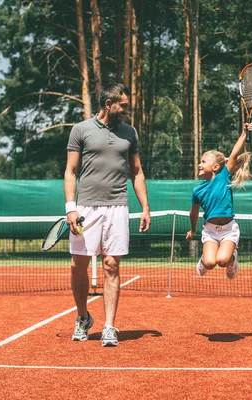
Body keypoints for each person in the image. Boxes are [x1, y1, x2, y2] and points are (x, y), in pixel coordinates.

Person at [65, 82, 151, 347]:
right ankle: (82, 318)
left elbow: (136, 172)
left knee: (111, 265)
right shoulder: (81, 130)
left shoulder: (130, 133)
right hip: (86, 208)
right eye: (123, 105)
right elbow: (70, 172)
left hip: (117, 206)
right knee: (78, 265)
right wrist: (71, 208)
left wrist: (145, 207)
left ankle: (109, 326)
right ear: (108, 104)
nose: (127, 110)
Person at [185, 123, 252, 279]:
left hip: (228, 229)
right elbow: (193, 213)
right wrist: (193, 230)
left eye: (203, 162)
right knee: (210, 263)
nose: (199, 164)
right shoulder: (197, 190)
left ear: (215, 166)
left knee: (222, 261)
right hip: (210, 230)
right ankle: (203, 261)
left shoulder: (224, 177)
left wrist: (244, 132)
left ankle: (232, 260)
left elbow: (235, 153)